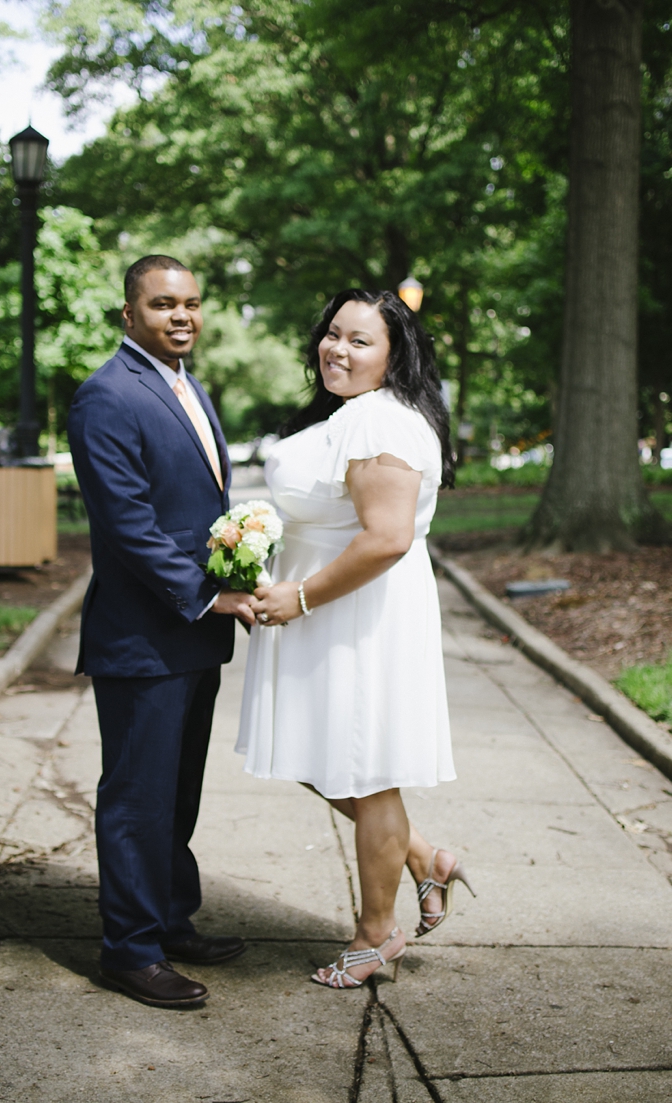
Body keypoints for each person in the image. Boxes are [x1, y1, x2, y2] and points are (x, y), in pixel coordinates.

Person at [237, 289, 475, 988]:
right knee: (321, 756)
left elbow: (389, 538)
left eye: (360, 340)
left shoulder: (382, 425)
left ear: (393, 355)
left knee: (367, 774)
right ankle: (425, 855)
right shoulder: (354, 416)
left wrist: (300, 594)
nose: (338, 348)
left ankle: (377, 935)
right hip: (329, 616)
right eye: (332, 334)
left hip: (356, 619)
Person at [68, 255, 256, 1009]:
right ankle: (130, 948)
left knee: (177, 794)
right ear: (128, 315)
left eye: (191, 303)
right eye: (162, 304)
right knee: (136, 798)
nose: (181, 316)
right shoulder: (106, 396)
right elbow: (127, 527)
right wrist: (203, 596)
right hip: (143, 637)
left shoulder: (186, 385)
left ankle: (171, 918)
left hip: (192, 638)